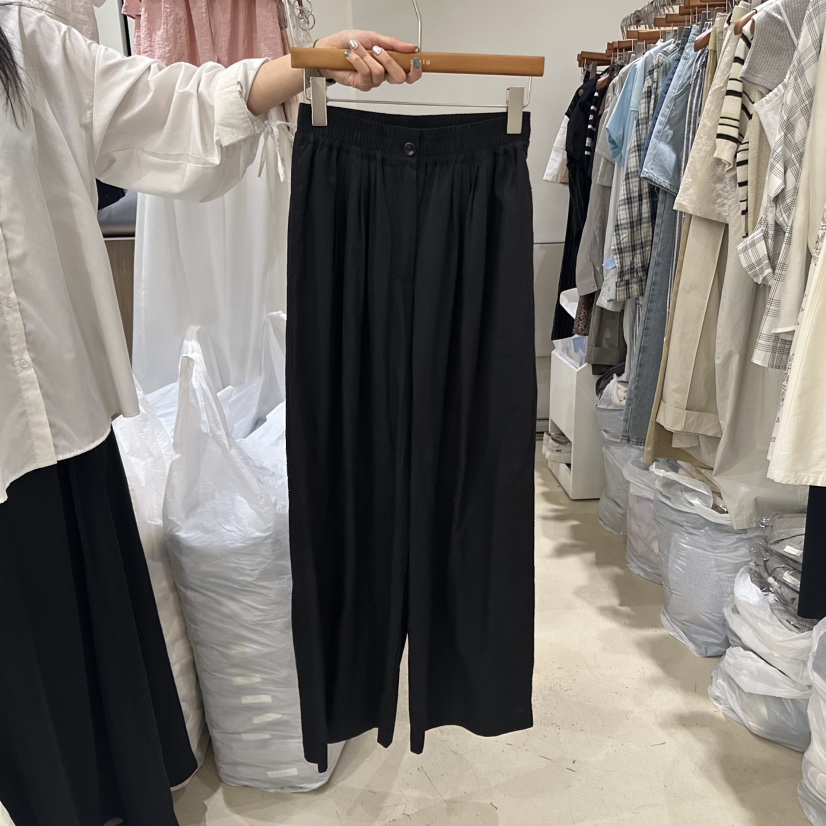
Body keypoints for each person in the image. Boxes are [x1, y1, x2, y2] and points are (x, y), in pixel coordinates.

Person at [0, 4, 422, 825]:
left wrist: (302, 63)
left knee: (88, 656)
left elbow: (160, 104)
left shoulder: (22, 41)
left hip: (59, 417)